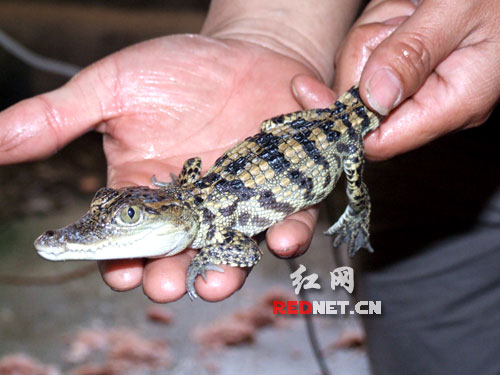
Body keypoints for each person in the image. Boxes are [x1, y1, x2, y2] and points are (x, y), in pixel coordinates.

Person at [0, 0, 498, 373]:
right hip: (422, 178)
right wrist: (266, 35)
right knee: (427, 336)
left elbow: (241, 253)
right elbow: (193, 168)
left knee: (355, 166)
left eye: (129, 215)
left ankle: (359, 212)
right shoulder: (191, 198)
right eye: (116, 210)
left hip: (337, 140)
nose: (85, 231)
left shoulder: (216, 230)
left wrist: (200, 258)